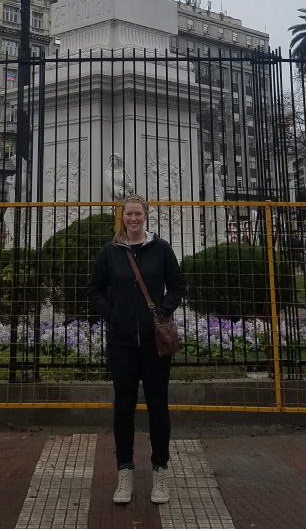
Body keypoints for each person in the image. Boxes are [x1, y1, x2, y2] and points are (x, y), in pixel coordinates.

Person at [88, 194, 184, 505]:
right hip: (123, 344)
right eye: (128, 214)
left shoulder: (161, 249)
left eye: (137, 214)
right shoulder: (110, 252)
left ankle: (160, 472)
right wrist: (112, 314)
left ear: (145, 216)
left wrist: (163, 311)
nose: (133, 219)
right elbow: (96, 289)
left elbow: (178, 285)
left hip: (154, 345)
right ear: (122, 217)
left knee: (158, 408)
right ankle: (125, 471)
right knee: (124, 408)